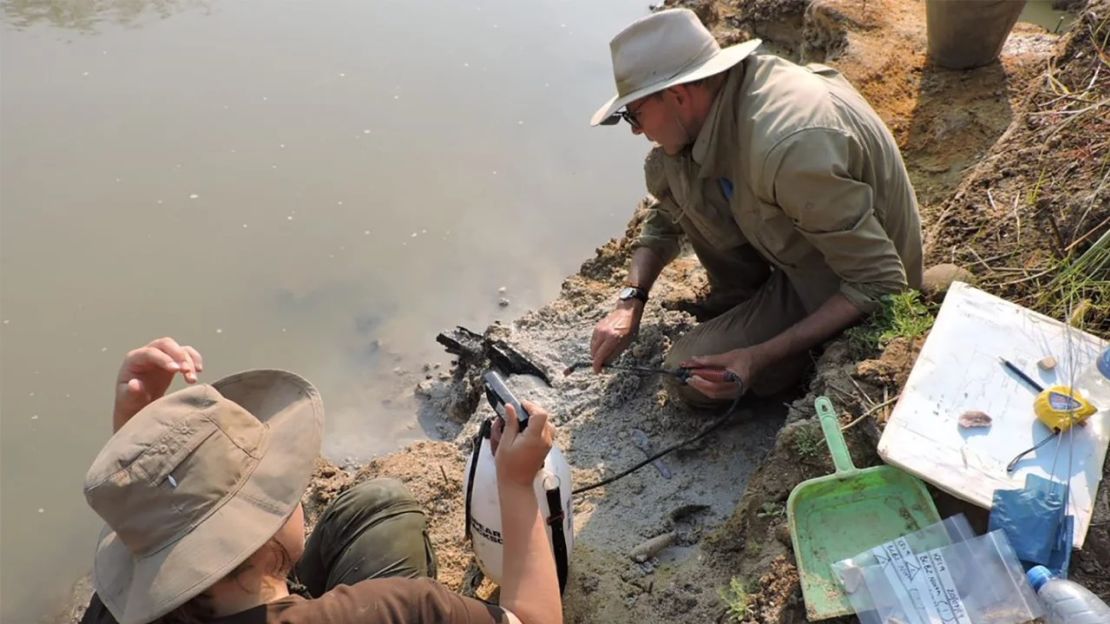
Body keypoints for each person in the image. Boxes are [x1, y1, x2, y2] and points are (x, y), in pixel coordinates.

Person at [79, 337, 562, 624]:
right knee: (390, 509)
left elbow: (159, 523)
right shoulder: (395, 610)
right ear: (262, 525)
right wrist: (517, 486)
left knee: (376, 505)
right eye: (279, 484)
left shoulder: (114, 614)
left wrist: (141, 445)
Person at [589, 9, 924, 408]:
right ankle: (746, 306)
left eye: (635, 113)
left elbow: (880, 282)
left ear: (678, 94)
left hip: (851, 284)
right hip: (811, 245)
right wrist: (631, 301)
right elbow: (666, 216)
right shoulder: (721, 101)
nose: (635, 130)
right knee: (671, 166)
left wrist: (757, 357)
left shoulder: (786, 146)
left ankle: (792, 365)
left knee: (687, 375)